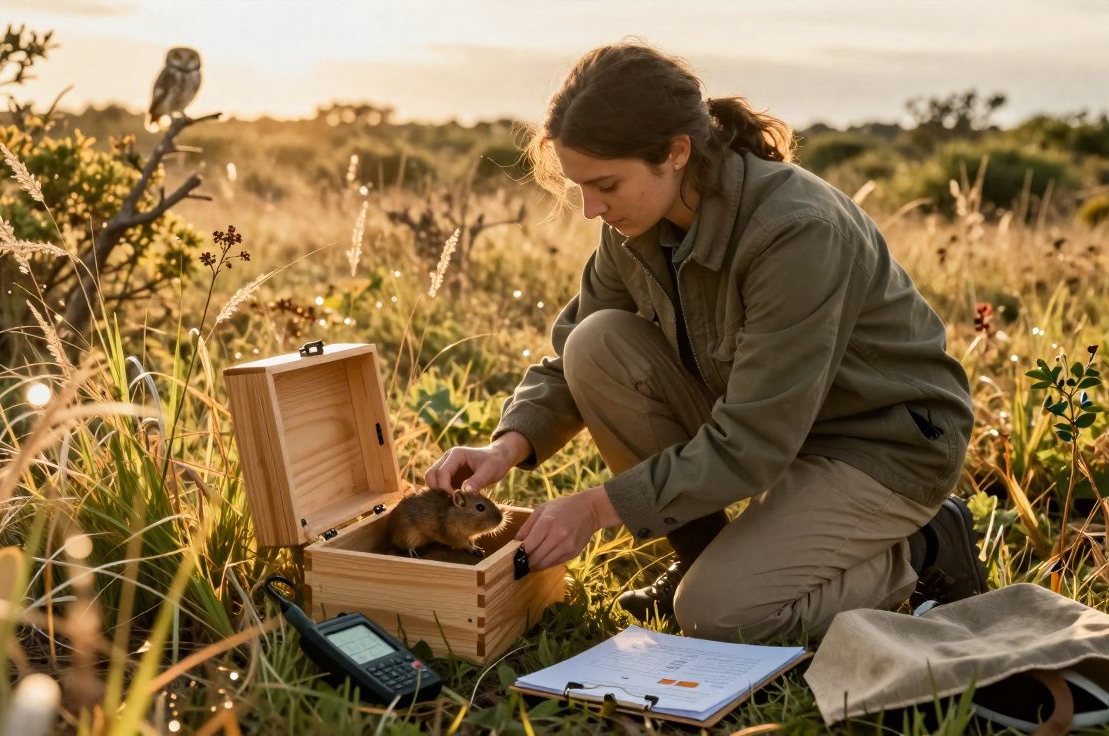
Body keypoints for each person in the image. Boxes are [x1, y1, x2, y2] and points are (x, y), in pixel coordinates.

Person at [423, 41, 987, 644]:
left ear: (675, 152)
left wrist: (593, 509)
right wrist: (504, 449)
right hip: (772, 426)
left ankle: (925, 548)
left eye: (606, 183)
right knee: (597, 343)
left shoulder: (798, 231)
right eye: (578, 186)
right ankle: (702, 557)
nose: (590, 209)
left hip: (882, 444)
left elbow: (753, 442)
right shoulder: (634, 225)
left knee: (719, 615)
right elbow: (570, 360)